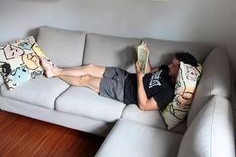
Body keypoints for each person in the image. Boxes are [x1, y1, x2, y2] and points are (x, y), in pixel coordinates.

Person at [41, 51, 198, 111]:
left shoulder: (168, 93)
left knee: (86, 79)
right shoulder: (165, 69)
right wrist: (144, 57)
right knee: (89, 66)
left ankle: (53, 71)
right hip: (125, 75)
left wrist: (139, 77)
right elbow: (149, 72)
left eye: (174, 65)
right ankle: (55, 70)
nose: (170, 65)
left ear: (181, 71)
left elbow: (144, 105)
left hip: (124, 92)